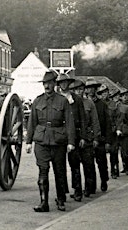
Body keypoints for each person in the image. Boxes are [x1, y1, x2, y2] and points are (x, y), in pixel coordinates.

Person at [26, 70, 75, 212]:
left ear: (54, 84)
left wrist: (71, 142)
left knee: (59, 172)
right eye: (45, 83)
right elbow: (32, 122)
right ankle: (43, 202)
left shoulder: (63, 101)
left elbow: (69, 123)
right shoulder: (37, 100)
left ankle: (60, 200)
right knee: (43, 172)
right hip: (41, 141)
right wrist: (28, 141)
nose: (47, 86)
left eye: (49, 83)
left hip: (58, 141)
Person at [58, 74, 88, 200]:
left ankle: (77, 190)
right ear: (58, 85)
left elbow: (82, 119)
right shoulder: (55, 98)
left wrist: (82, 137)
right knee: (59, 164)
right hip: (59, 134)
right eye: (61, 83)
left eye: (66, 83)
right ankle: (62, 191)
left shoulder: (76, 99)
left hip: (74, 134)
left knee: (75, 163)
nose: (64, 85)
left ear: (69, 84)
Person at [68, 79, 99, 200]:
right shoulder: (70, 103)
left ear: (84, 90)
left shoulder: (89, 103)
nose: (78, 92)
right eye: (76, 90)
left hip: (87, 138)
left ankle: (89, 188)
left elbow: (95, 121)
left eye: (80, 89)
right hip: (74, 138)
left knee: (88, 164)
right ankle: (77, 189)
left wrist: (96, 137)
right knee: (74, 165)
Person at [114, 88, 128, 176]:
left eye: (126, 95)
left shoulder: (127, 107)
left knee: (125, 152)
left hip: (125, 131)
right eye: (122, 95)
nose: (124, 97)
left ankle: (126, 166)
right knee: (114, 151)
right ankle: (116, 169)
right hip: (115, 131)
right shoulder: (114, 106)